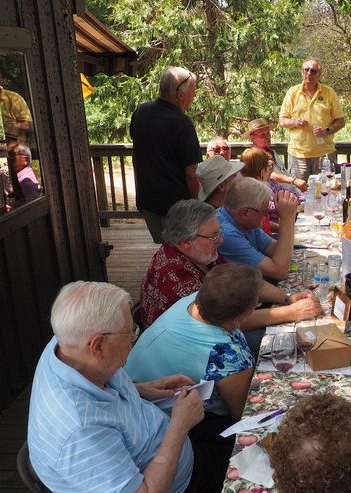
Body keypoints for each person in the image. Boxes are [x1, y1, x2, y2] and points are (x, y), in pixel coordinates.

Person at [27, 281, 245, 493]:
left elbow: (108, 388)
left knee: (251, 453)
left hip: (173, 463)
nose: (134, 338)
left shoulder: (67, 344)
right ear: (98, 345)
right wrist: (179, 426)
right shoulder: (77, 431)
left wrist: (145, 388)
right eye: (131, 335)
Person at [138, 199, 320, 332]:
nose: (221, 240)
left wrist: (288, 298)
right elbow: (223, 320)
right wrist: (290, 312)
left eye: (220, 232)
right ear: (186, 241)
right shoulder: (173, 275)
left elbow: (244, 280)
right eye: (214, 235)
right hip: (186, 360)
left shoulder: (201, 253)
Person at [127, 264, 260, 422]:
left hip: (129, 398)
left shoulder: (197, 302)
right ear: (241, 316)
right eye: (256, 303)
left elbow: (234, 322)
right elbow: (242, 414)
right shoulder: (228, 355)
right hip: (168, 424)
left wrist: (289, 311)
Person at [130, 66, 201, 243]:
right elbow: (191, 173)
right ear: (180, 94)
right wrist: (197, 204)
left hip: (148, 202)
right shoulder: (182, 123)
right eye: (192, 92)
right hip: (176, 208)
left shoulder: (141, 112)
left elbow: (137, 155)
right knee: (182, 250)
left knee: (164, 249)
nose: (194, 96)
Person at [218, 177, 298, 281]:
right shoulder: (227, 234)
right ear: (245, 213)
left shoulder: (243, 220)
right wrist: (287, 218)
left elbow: (277, 251)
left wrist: (288, 216)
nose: (265, 217)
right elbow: (280, 272)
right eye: (264, 212)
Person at [278, 58, 345, 180]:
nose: (309, 73)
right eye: (306, 70)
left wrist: (326, 131)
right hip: (298, 155)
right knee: (298, 193)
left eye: (313, 71)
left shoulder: (329, 92)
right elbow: (282, 121)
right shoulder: (292, 92)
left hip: (324, 156)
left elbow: (340, 121)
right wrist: (294, 122)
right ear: (301, 72)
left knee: (326, 191)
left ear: (319, 75)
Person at [242, 117, 308, 192]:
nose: (268, 136)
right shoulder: (253, 156)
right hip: (275, 197)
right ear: (252, 137)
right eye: (262, 134)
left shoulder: (272, 152)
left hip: (291, 192)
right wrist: (293, 180)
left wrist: (296, 183)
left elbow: (284, 172)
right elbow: (270, 174)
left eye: (268, 133)